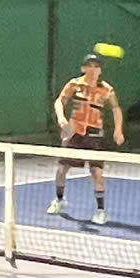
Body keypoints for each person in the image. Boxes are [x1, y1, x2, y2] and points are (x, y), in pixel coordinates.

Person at [48, 50, 125, 222]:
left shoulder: (107, 89)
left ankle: (100, 210)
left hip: (95, 133)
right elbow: (60, 101)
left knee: (97, 172)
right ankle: (59, 200)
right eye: (89, 66)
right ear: (83, 69)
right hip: (75, 131)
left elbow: (116, 109)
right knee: (61, 169)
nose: (92, 69)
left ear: (100, 71)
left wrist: (118, 130)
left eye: (96, 66)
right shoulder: (74, 84)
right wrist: (61, 118)